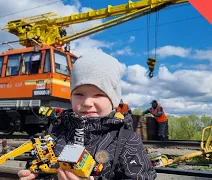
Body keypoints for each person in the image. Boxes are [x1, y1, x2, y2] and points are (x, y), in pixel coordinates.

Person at [18, 50, 157, 180]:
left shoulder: (127, 140)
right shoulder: (54, 131)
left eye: (98, 94)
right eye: (79, 94)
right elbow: (38, 164)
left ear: (113, 99)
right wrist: (34, 175)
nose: (87, 102)